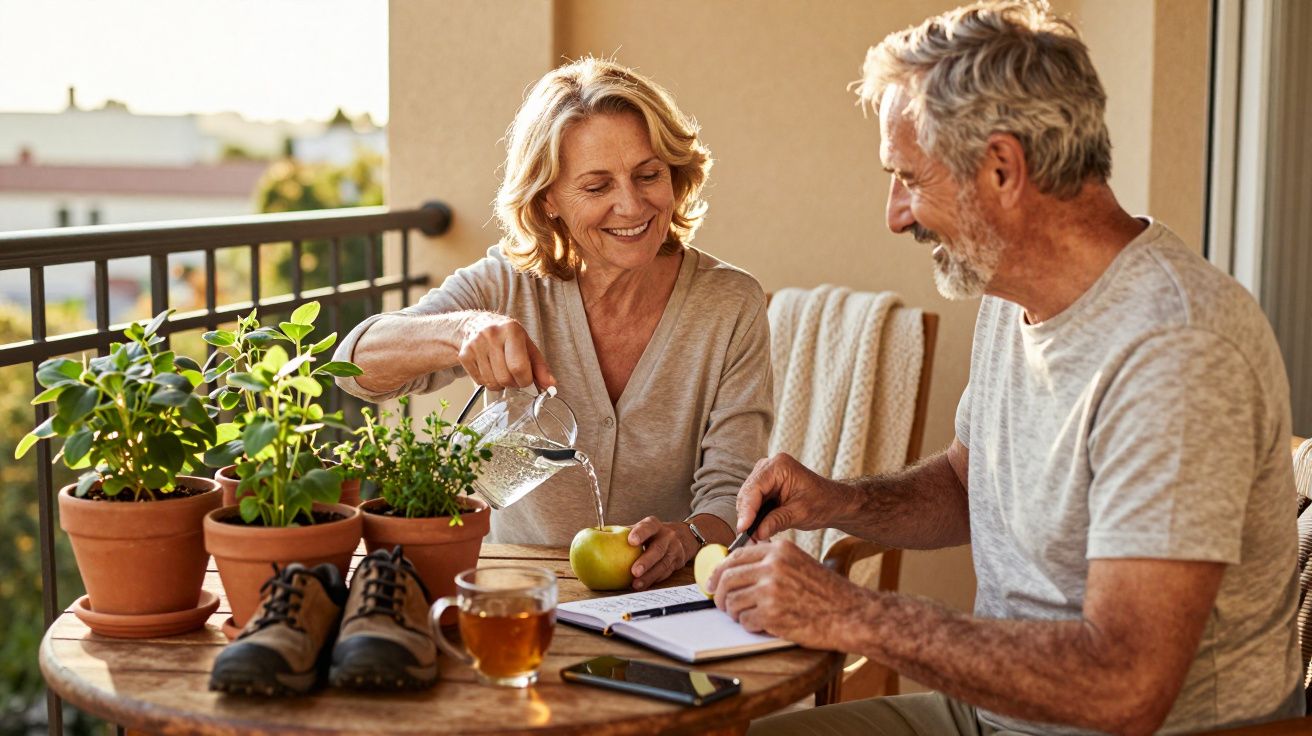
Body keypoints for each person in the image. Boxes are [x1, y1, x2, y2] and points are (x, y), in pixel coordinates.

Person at [709, 3, 1304, 734]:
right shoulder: (1009, 290)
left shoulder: (1176, 351)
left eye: (908, 179)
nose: (895, 215)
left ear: (1001, 168)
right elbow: (968, 483)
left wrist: (851, 614)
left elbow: (1126, 687)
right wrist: (837, 501)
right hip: (995, 715)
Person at [334, 58, 772, 591]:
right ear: (549, 200)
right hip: (513, 594)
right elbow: (353, 365)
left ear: (676, 176)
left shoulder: (730, 303)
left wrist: (690, 538)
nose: (631, 205)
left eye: (648, 175)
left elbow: (732, 485)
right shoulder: (507, 285)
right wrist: (460, 331)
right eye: (596, 187)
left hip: (661, 599)